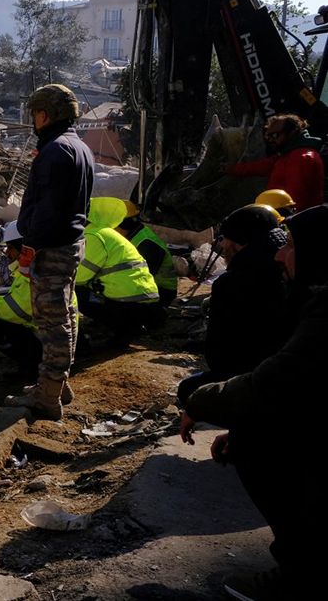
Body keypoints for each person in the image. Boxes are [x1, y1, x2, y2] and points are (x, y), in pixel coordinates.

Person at [182, 205, 328, 600]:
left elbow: (272, 380)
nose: (282, 254)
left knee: (251, 444)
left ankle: (302, 572)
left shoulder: (323, 308)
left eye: (293, 246)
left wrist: (200, 404)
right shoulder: (306, 292)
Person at [5, 84, 95, 420]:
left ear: (45, 114)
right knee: (65, 318)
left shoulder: (55, 151)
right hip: (68, 244)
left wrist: (30, 246)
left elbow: (46, 209)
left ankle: (48, 397)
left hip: (52, 248)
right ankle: (57, 384)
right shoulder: (78, 147)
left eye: (35, 113)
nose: (33, 120)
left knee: (53, 323)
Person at [176, 204, 289, 405]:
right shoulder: (287, 267)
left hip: (258, 376)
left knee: (189, 390)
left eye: (224, 239)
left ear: (236, 243)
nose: (222, 245)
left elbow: (220, 357)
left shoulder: (233, 283)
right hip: (287, 365)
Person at [0, 222, 77, 401]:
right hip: (57, 338)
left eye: (10, 247)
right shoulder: (42, 266)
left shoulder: (34, 274)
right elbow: (15, 300)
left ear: (24, 248)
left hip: (51, 343)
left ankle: (36, 374)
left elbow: (13, 310)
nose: (7, 253)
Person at [74, 197, 163, 349]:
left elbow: (80, 277)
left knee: (73, 291)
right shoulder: (105, 233)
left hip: (130, 306)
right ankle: (124, 329)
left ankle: (87, 342)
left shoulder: (94, 236)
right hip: (142, 302)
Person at [226, 114, 324, 211]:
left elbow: (296, 200)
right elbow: (258, 167)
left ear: (292, 132)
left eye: (275, 135)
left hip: (293, 221)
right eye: (268, 137)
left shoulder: (302, 158)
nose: (272, 140)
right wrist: (229, 169)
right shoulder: (286, 155)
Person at [117, 200, 178, 306]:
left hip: (160, 291)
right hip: (151, 287)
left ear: (123, 224)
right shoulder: (135, 235)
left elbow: (140, 277)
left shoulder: (146, 243)